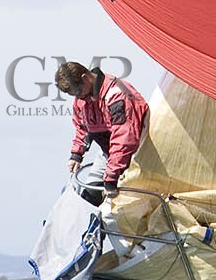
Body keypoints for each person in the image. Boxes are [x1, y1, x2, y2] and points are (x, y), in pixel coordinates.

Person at [55, 62, 148, 194]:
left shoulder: (116, 94)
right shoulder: (82, 100)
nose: (78, 96)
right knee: (89, 195)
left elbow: (125, 138)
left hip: (136, 155)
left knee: (114, 208)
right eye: (74, 94)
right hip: (109, 154)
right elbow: (82, 127)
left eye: (78, 91)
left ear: (85, 77)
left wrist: (111, 176)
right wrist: (76, 154)